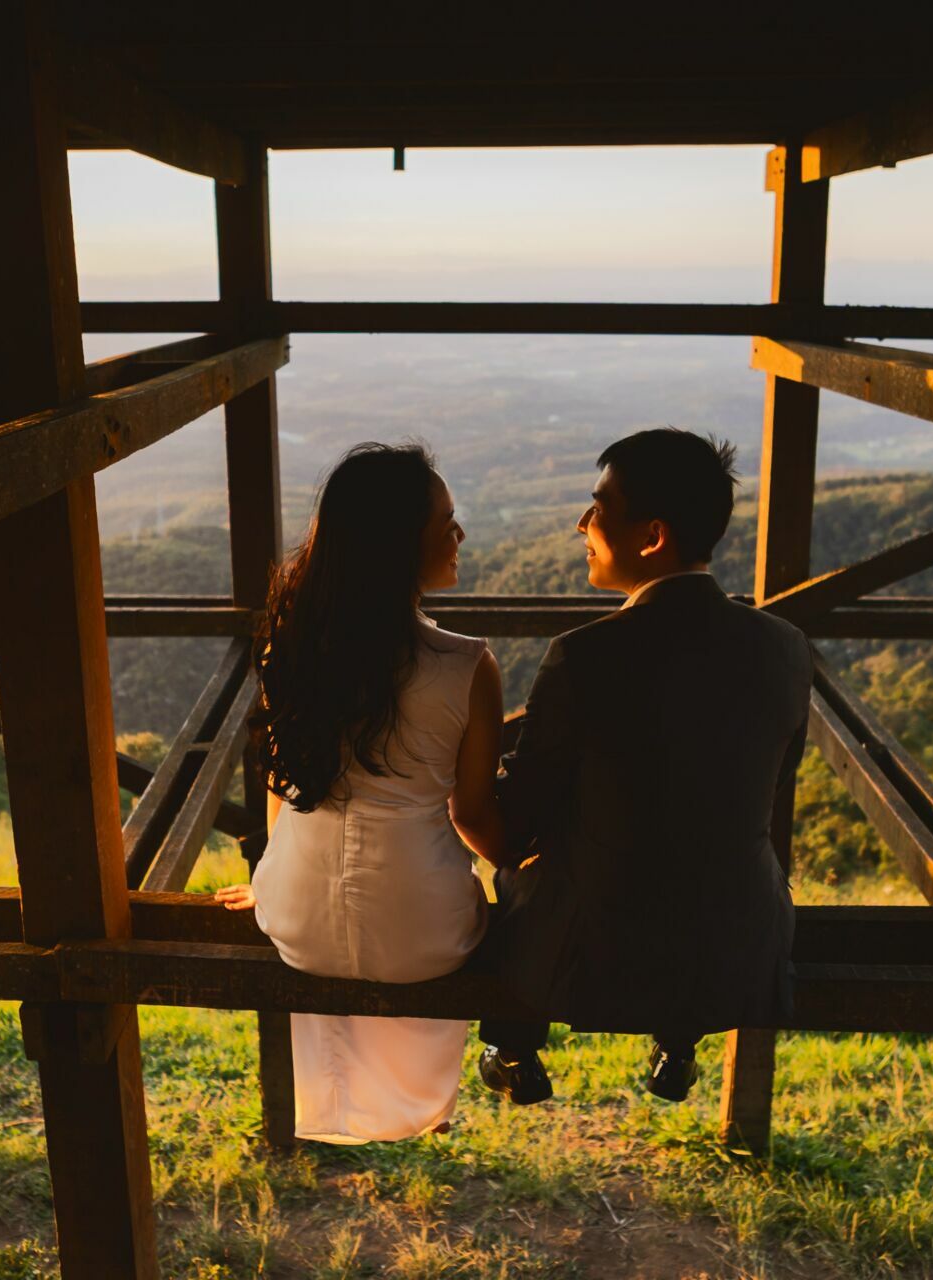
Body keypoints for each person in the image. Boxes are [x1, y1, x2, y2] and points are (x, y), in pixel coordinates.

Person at [477, 428, 810, 1105]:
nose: (582, 523)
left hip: (602, 954)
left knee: (520, 874)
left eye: (599, 506)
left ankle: (512, 1047)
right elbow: (767, 790)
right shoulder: (785, 646)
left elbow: (518, 821)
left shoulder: (585, 656)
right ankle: (677, 1044)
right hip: (745, 942)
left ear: (651, 535)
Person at [215, 442, 509, 1143]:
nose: (458, 534)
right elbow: (472, 817)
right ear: (397, 545)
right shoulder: (468, 666)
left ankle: (336, 1104)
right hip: (425, 933)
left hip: (295, 919)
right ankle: (409, 1103)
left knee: (341, 919)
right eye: (445, 522)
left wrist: (269, 877)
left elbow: (284, 782)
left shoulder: (286, 644)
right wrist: (529, 868)